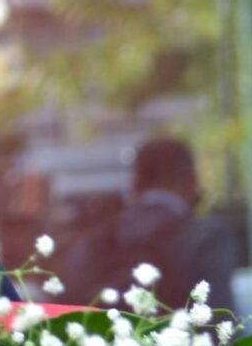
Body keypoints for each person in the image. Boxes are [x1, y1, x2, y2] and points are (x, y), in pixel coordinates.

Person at [61, 132, 240, 308]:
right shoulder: (206, 238)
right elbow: (218, 320)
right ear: (188, 180)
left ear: (136, 183)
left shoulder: (93, 240)